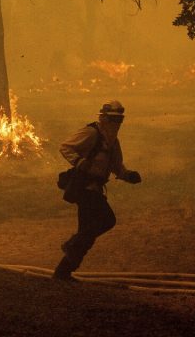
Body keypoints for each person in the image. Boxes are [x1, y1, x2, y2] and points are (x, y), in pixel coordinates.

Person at [53, 100, 141, 281]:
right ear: (103, 118)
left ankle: (63, 272)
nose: (116, 123)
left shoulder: (113, 142)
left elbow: (117, 167)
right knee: (107, 220)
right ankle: (72, 244)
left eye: (119, 120)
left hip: (95, 189)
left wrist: (128, 175)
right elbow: (66, 147)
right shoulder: (92, 132)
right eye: (112, 119)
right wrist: (79, 162)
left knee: (87, 232)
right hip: (85, 188)